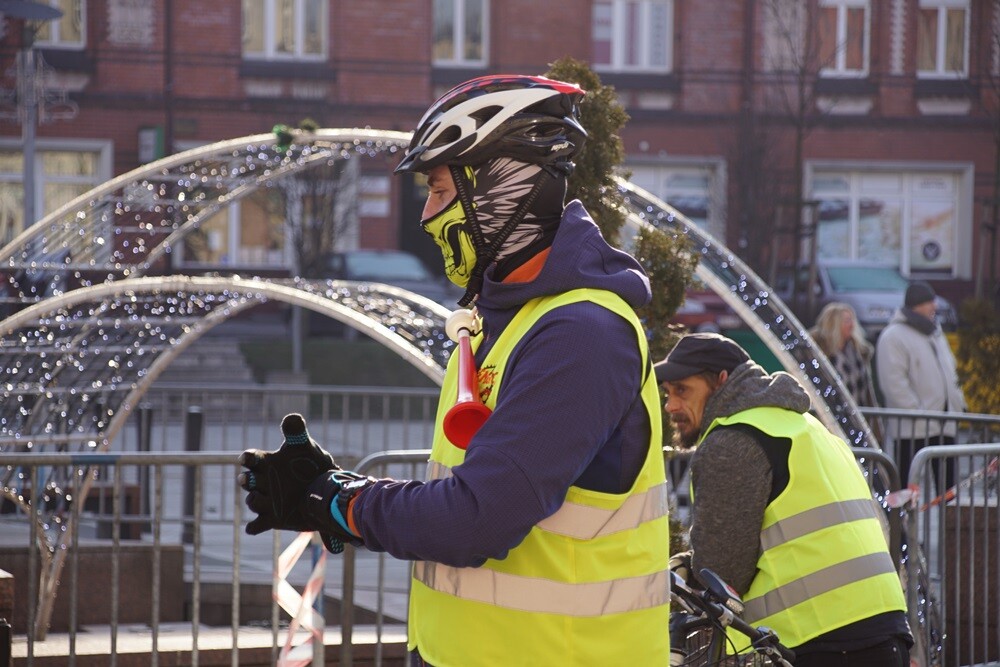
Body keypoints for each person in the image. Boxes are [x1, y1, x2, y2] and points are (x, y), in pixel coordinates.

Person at [238, 74, 671, 666]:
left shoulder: (581, 335)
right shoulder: (504, 323)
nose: (426, 217)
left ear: (501, 188)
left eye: (440, 191)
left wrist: (337, 502)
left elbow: (476, 519)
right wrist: (339, 494)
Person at [658, 332, 911, 666]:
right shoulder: (808, 427)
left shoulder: (732, 441)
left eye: (682, 390)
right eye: (667, 393)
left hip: (817, 642)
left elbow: (722, 574)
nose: (670, 405)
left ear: (721, 382)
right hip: (884, 628)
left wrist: (693, 570)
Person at [875, 280, 966, 489]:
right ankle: (904, 521)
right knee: (908, 487)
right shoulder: (893, 336)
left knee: (949, 488)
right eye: (928, 302)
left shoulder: (934, 332)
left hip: (943, 422)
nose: (934, 307)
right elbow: (893, 382)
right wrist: (916, 411)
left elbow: (950, 370)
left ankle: (948, 522)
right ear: (915, 305)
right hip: (913, 427)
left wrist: (958, 403)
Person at [809, 302, 878, 408]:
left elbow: (867, 391)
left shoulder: (859, 351)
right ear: (833, 324)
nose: (852, 325)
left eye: (852, 320)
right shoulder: (818, 352)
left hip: (859, 414)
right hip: (830, 414)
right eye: (847, 321)